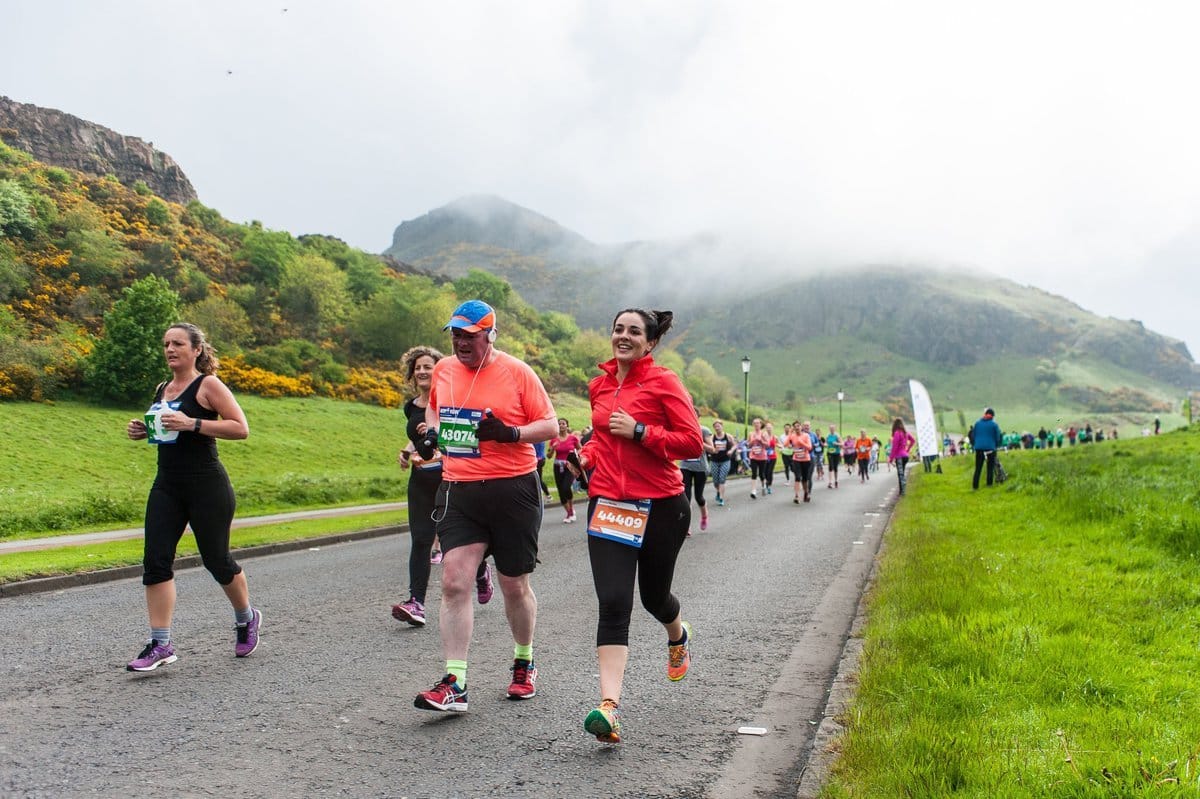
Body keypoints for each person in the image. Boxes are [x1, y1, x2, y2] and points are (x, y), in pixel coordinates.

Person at [412, 300, 558, 713]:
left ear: (489, 335)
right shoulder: (443, 370)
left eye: (469, 335)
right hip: (460, 489)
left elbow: (548, 423)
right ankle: (455, 681)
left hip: (513, 490)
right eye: (455, 334)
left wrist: (510, 433)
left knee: (514, 586)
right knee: (454, 581)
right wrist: (430, 437)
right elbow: (435, 413)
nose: (460, 342)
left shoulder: (517, 372)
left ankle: (524, 662)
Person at [573, 308, 702, 744]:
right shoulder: (600, 385)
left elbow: (691, 443)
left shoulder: (664, 382)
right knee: (613, 602)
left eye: (633, 331)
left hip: (662, 505)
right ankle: (609, 708)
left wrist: (641, 430)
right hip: (609, 503)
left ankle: (677, 632)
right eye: (617, 329)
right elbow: (602, 438)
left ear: (649, 343)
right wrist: (586, 457)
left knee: (653, 597)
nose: (623, 336)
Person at [123, 322, 259, 672]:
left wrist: (192, 424)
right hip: (167, 485)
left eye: (178, 343)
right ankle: (160, 643)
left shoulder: (208, 385)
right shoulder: (162, 388)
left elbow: (240, 428)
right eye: (166, 343)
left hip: (207, 485)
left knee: (216, 560)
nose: (170, 349)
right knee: (155, 561)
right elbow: (166, 430)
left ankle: (246, 618)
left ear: (196, 349)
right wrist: (143, 430)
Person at [392, 346, 494, 628]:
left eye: (429, 366)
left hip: (451, 478)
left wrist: (438, 432)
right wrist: (407, 449)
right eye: (418, 367)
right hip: (421, 480)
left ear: (442, 369)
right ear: (412, 374)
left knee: (458, 541)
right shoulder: (411, 407)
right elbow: (416, 437)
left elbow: (467, 436)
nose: (423, 371)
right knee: (421, 540)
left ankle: (482, 570)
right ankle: (417, 603)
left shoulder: (454, 399)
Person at [679, 406, 714, 532]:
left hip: (700, 467)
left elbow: (712, 449)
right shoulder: (682, 429)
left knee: (699, 497)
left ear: (698, 417)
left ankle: (704, 516)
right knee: (686, 497)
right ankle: (686, 526)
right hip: (685, 466)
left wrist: (699, 442)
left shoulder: (704, 430)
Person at [550, 418, 583, 523]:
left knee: (566, 487)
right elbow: (549, 456)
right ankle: (569, 512)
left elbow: (581, 449)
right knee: (560, 491)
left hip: (569, 466)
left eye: (563, 423)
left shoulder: (573, 438)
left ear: (567, 426)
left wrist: (577, 457)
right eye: (559, 424)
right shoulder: (554, 439)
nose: (561, 425)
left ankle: (571, 510)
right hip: (557, 466)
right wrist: (552, 449)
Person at [971, 407, 1002, 489]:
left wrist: (976, 443)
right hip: (990, 448)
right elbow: (998, 437)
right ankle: (989, 484)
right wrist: (996, 445)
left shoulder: (977, 423)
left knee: (978, 468)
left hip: (979, 448)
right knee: (990, 467)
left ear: (985, 414)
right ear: (992, 416)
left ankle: (975, 486)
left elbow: (973, 435)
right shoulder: (994, 425)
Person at [787, 421, 815, 503]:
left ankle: (806, 492)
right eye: (795, 426)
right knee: (797, 477)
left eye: (798, 426)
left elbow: (809, 447)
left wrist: (801, 442)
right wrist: (789, 443)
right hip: (796, 459)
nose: (797, 427)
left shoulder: (806, 436)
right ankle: (796, 496)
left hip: (806, 459)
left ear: (801, 427)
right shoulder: (792, 436)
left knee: (805, 479)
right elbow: (787, 444)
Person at [709, 420, 736, 505]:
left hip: (725, 460)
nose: (717, 428)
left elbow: (735, 445)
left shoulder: (728, 436)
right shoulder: (712, 437)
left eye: (718, 426)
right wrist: (713, 450)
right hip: (714, 461)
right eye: (715, 426)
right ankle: (718, 491)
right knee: (715, 481)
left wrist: (731, 450)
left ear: (722, 426)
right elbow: (709, 447)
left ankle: (721, 498)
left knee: (722, 478)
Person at [889, 418, 916, 496]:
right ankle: (901, 491)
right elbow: (913, 441)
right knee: (901, 473)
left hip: (899, 457)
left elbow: (894, 447)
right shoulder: (905, 433)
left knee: (900, 474)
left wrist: (891, 458)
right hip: (905, 456)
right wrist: (907, 450)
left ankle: (903, 491)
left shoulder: (897, 433)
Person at [747, 418, 770, 498]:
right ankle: (753, 491)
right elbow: (748, 445)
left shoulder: (764, 433)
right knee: (754, 473)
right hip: (753, 456)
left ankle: (763, 486)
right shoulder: (751, 433)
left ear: (761, 425)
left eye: (758, 423)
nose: (756, 425)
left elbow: (768, 445)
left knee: (761, 474)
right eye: (755, 423)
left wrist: (761, 441)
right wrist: (752, 441)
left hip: (762, 457)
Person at [825, 424, 841, 488]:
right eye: (830, 428)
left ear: (835, 428)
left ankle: (836, 480)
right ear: (829, 429)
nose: (831, 429)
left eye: (833, 428)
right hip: (829, 453)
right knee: (830, 466)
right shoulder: (828, 435)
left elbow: (842, 444)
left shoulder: (837, 435)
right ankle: (830, 482)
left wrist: (836, 443)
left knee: (835, 467)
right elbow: (825, 443)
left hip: (836, 453)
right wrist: (825, 444)